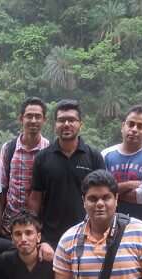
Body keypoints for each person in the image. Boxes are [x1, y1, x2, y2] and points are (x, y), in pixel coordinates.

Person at [28, 99, 105, 247]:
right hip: (51, 239)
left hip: (88, 235)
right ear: (55, 125)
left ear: (80, 124)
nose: (66, 124)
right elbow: (35, 199)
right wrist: (39, 237)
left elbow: (102, 197)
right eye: (61, 120)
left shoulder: (93, 156)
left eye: (72, 120)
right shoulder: (42, 158)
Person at [102, 105, 142, 230]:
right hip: (108, 227)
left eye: (140, 126)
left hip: (141, 228)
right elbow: (99, 192)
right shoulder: (105, 155)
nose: (134, 129)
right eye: (131, 124)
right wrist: (130, 184)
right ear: (122, 126)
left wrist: (111, 193)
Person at [0, 97, 50, 236]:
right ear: (21, 119)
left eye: (38, 117)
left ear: (44, 120)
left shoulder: (50, 151)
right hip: (9, 225)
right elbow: (2, 188)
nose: (33, 120)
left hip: (38, 226)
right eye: (29, 116)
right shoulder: (9, 148)